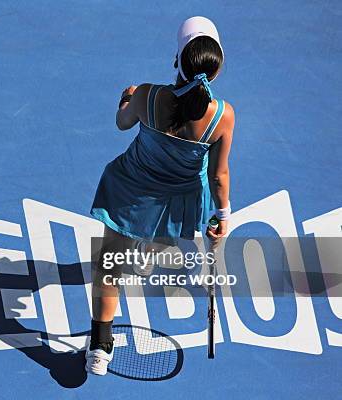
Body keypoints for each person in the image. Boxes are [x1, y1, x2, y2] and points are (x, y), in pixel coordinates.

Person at [86, 16, 235, 375]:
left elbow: (122, 123)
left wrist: (127, 99)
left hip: (130, 194)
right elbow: (219, 175)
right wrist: (223, 217)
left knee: (108, 267)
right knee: (154, 242)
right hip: (177, 202)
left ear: (177, 61)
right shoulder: (223, 116)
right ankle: (146, 252)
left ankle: (100, 346)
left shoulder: (148, 96)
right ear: (215, 71)